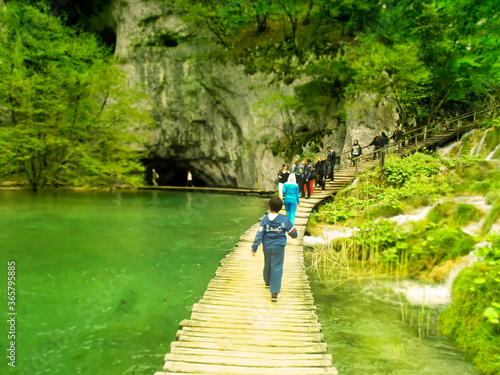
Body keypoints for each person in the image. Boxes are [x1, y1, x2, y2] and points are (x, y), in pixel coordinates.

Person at [251, 196, 298, 302]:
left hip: (267, 246)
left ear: (269, 206)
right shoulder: (284, 220)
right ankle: (274, 293)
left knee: (267, 262)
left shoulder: (265, 220)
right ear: (281, 208)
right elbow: (294, 234)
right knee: (276, 267)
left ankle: (267, 281)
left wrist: (254, 248)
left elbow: (259, 234)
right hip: (279, 247)